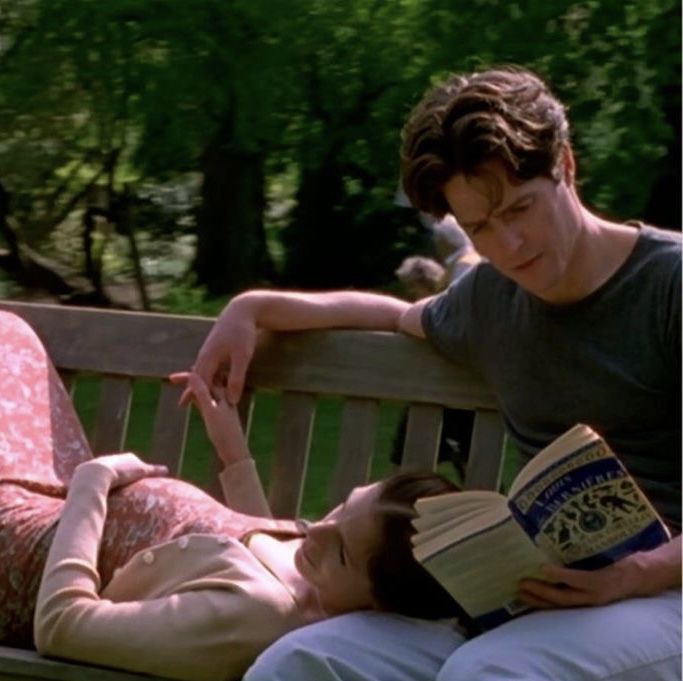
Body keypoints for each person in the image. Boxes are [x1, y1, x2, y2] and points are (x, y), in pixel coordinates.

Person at [188, 66, 682, 681]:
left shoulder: (670, 286)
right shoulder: (490, 300)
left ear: (567, 167)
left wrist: (633, 574)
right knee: (301, 661)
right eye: (479, 228)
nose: (510, 245)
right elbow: (398, 316)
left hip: (664, 594)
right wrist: (253, 306)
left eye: (521, 208)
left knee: (487, 674)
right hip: (543, 595)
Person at [0, 310, 462, 681]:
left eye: (341, 552)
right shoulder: (317, 583)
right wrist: (232, 449)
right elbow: (252, 561)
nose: (315, 529)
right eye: (343, 507)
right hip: (55, 501)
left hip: (18, 546)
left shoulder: (256, 620)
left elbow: (62, 626)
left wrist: (93, 481)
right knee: (9, 332)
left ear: (376, 604)